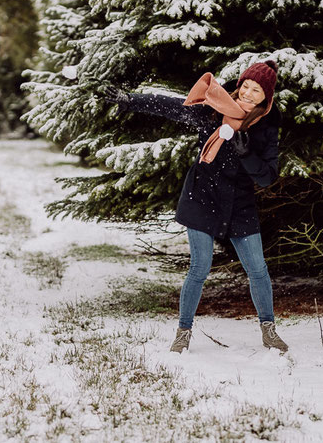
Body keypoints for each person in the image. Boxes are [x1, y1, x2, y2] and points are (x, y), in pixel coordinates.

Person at [104, 60, 288, 354]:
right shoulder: (214, 109)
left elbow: (267, 177)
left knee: (258, 269)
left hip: (240, 203)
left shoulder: (267, 127)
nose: (249, 93)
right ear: (240, 85)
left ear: (267, 98)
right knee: (199, 268)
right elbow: (173, 106)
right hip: (203, 197)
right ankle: (183, 332)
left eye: (257, 91)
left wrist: (247, 154)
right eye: (246, 86)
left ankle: (269, 331)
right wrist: (130, 101)